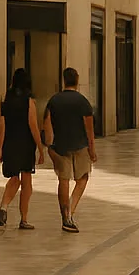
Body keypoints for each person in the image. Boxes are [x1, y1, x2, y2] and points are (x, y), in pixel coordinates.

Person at [42, 67, 96, 234]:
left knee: (63, 180)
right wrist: (92, 150)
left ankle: (65, 216)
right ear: (77, 80)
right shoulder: (83, 102)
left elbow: (47, 124)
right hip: (80, 146)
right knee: (83, 177)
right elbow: (89, 129)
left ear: (64, 80)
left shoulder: (54, 101)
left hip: (60, 145)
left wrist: (48, 146)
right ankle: (71, 211)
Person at [0, 69, 47, 230]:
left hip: (9, 143)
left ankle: (4, 207)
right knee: (26, 183)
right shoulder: (29, 101)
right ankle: (23, 219)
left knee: (14, 178)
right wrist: (40, 147)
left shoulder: (6, 99)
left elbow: (1, 124)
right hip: (25, 144)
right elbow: (33, 125)